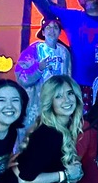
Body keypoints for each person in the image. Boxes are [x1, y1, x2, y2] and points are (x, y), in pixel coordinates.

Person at [14, 16, 72, 147]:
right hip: (36, 105)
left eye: (55, 27)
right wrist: (38, 68)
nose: (52, 30)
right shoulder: (33, 50)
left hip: (57, 104)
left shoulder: (64, 53)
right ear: (43, 32)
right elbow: (20, 76)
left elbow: (68, 78)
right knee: (30, 139)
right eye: (48, 28)